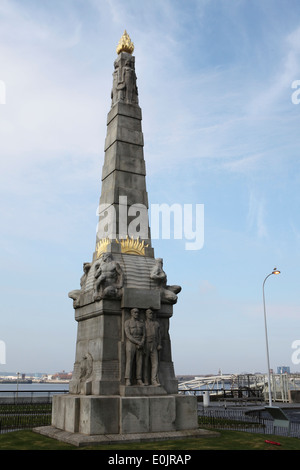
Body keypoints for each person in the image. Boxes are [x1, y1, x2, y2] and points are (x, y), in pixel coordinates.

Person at [124, 308, 145, 386]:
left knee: (139, 362)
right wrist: (137, 342)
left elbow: (144, 334)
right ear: (131, 313)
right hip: (131, 343)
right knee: (129, 361)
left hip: (140, 343)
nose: (137, 314)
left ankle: (139, 379)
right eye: (135, 312)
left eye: (138, 312)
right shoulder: (127, 322)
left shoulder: (141, 323)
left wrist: (142, 342)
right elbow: (128, 335)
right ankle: (128, 379)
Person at [144, 308, 162, 386]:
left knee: (155, 363)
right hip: (146, 344)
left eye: (152, 313)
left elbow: (159, 335)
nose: (151, 315)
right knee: (145, 363)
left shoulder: (156, 324)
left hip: (154, 344)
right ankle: (145, 380)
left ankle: (154, 380)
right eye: (149, 313)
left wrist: (159, 344)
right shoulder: (143, 323)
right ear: (146, 314)